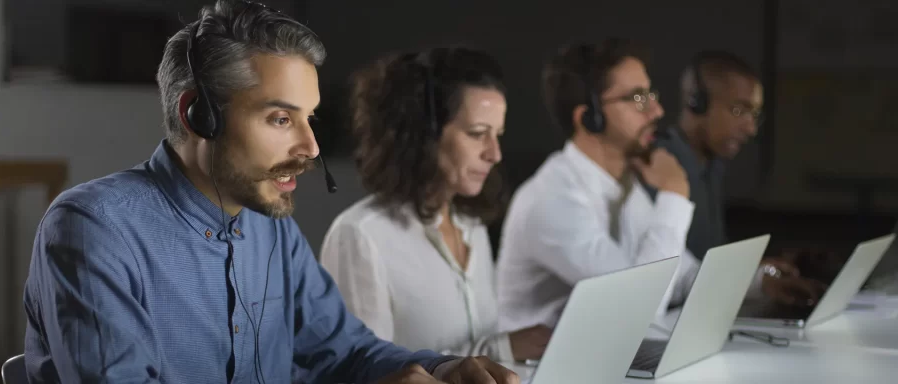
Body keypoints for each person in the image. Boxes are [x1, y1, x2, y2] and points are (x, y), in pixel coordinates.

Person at [21, 1, 518, 383]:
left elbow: (345, 351)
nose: (310, 147)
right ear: (198, 115)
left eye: (310, 119)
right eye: (281, 118)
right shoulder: (96, 230)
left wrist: (447, 370)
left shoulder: (269, 229)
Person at [320, 47, 552, 365]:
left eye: (497, 135)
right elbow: (366, 374)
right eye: (477, 134)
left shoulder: (472, 226)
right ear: (423, 135)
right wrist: (502, 349)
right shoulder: (360, 236)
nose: (494, 154)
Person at [495, 38, 699, 332]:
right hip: (533, 372)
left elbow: (681, 277)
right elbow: (639, 307)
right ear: (590, 118)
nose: (656, 112)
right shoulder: (551, 199)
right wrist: (674, 195)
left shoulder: (623, 184)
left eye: (650, 95)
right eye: (638, 98)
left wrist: (760, 282)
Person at [651, 50, 827, 306]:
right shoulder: (659, 163)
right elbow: (670, 272)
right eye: (738, 110)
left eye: (754, 114)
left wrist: (756, 271)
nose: (750, 128)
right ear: (696, 102)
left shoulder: (711, 165)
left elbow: (706, 258)